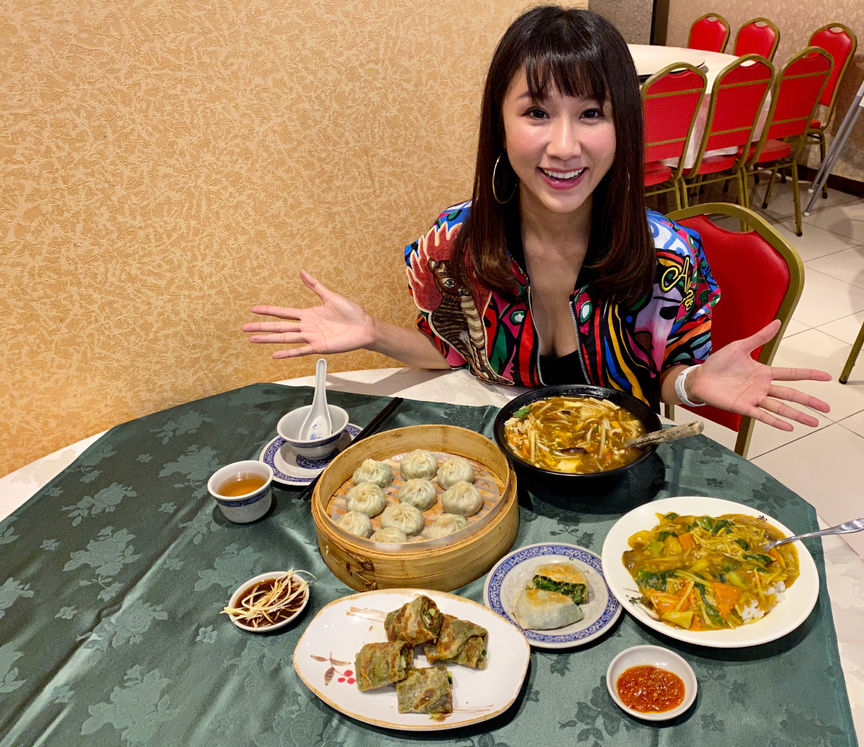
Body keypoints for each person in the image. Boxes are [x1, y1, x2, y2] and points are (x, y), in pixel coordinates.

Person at [244, 5, 830, 434]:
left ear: (623, 125)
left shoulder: (670, 258)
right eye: (537, 112)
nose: (564, 145)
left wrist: (693, 384)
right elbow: (454, 353)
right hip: (501, 459)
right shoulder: (453, 245)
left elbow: (669, 376)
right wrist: (373, 333)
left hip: (612, 466)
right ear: (499, 122)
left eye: (592, 113)